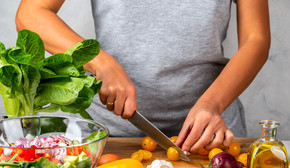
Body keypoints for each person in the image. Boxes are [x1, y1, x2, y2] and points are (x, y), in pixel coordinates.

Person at [15, 0, 270, 154]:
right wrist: (100, 62)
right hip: (110, 136)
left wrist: (212, 104)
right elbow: (31, 13)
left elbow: (255, 39)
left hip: (212, 137)